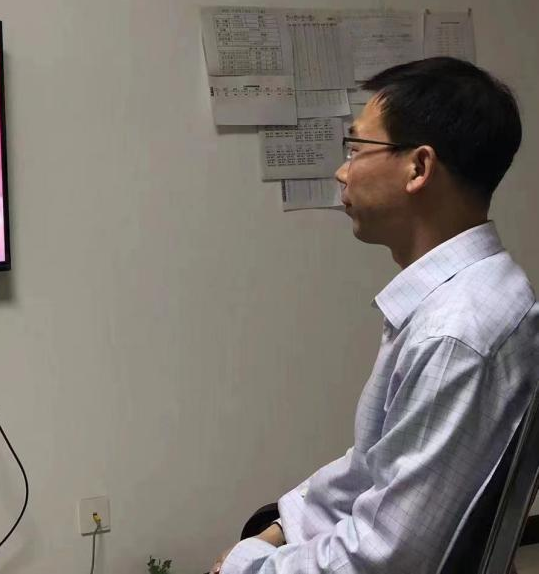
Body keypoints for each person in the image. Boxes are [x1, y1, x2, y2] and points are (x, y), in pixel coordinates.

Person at [213, 57, 539, 574]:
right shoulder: (463, 298)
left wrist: (247, 566)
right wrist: (280, 528)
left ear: (418, 168)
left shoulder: (455, 332)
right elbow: (370, 466)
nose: (342, 171)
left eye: (356, 148)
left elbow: (387, 557)